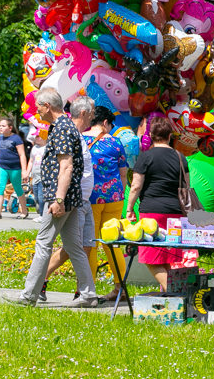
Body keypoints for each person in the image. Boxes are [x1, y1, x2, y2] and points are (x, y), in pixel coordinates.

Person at [7, 88, 97, 308]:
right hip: (69, 197)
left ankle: (29, 296)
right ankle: (88, 295)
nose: (35, 109)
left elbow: (66, 166)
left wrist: (58, 200)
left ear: (47, 106)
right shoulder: (63, 126)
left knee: (43, 244)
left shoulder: (62, 129)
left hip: (61, 197)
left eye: (38, 105)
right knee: (74, 247)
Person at [126, 116, 195, 291]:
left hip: (151, 211)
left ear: (150, 134)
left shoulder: (146, 156)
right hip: (176, 212)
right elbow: (187, 185)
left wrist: (129, 208)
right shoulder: (180, 157)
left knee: (149, 256)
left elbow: (135, 186)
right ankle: (170, 295)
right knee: (170, 255)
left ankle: (174, 291)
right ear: (170, 135)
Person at [40, 97, 95, 302]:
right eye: (92, 112)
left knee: (84, 246)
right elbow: (65, 167)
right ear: (83, 113)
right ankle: (38, 285)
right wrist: (60, 199)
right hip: (72, 200)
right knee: (67, 247)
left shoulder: (76, 134)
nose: (93, 117)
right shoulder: (67, 131)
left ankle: (86, 293)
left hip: (84, 200)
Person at [84, 105, 128, 302]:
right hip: (115, 198)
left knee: (91, 243)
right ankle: (121, 287)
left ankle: (88, 290)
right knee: (112, 243)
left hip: (91, 198)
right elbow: (123, 174)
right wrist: (119, 194)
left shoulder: (81, 139)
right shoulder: (116, 143)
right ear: (104, 122)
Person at [0, 116, 28, 219]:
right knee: (0, 188)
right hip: (2, 167)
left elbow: (22, 155)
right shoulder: (0, 137)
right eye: (0, 126)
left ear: (10, 128)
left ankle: (24, 211)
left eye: (3, 126)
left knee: (17, 188)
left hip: (15, 168)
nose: (1, 128)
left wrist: (24, 170)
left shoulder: (16, 138)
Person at [26, 131, 47, 222]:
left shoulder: (47, 147)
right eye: (36, 136)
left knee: (42, 197)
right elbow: (31, 161)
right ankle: (41, 213)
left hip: (44, 176)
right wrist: (27, 172)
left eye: (39, 136)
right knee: (37, 197)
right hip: (35, 176)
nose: (36, 138)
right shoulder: (34, 148)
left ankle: (43, 216)